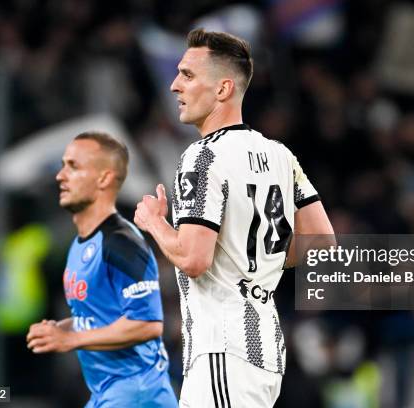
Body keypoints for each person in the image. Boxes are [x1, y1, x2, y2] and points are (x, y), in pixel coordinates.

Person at [133, 29, 335, 407]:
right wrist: (258, 258)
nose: (175, 86)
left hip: (223, 348)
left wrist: (154, 222)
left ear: (223, 89)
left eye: (187, 75)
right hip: (264, 348)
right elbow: (322, 242)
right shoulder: (279, 155)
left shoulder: (202, 157)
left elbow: (194, 259)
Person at [26, 132, 177, 408]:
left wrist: (71, 339)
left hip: (139, 395)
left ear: (104, 178)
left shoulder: (121, 243)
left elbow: (147, 324)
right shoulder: (79, 246)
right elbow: (99, 316)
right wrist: (59, 329)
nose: (61, 176)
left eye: (73, 166)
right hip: (107, 394)